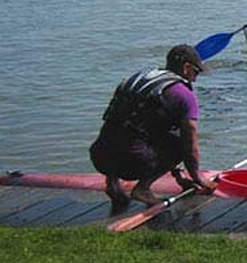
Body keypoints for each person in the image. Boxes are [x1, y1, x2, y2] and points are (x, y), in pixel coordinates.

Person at [89, 44, 217, 210]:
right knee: (182, 139)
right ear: (186, 68)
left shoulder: (138, 79)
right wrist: (197, 177)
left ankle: (113, 184)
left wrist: (179, 178)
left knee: (123, 128)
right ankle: (142, 189)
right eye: (196, 72)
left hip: (100, 157)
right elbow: (189, 146)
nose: (196, 78)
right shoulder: (184, 95)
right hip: (132, 163)